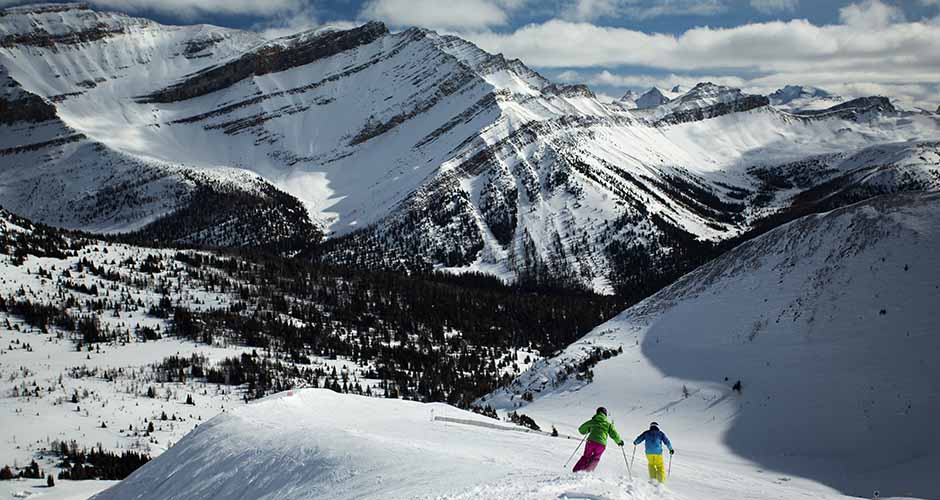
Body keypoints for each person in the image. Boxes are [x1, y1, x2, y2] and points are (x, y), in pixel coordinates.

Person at [573, 407, 623, 472]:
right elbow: (614, 434)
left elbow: (581, 430)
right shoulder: (608, 424)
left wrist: (588, 429)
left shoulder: (593, 421)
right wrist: (619, 442)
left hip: (591, 442)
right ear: (605, 414)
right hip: (601, 444)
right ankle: (588, 472)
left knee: (586, 456)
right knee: (596, 458)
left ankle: (577, 470)